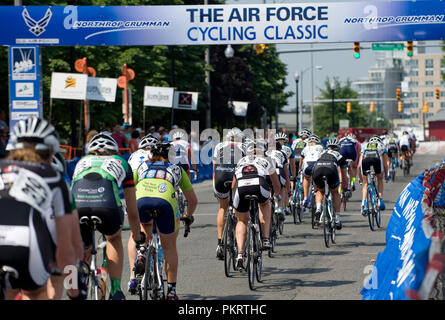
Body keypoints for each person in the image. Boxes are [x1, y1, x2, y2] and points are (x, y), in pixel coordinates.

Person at [0, 117, 82, 300]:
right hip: (25, 247)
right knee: (35, 292)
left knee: (10, 290)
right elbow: (66, 249)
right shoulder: (53, 176)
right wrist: (74, 290)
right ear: (49, 154)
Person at [71, 132, 144, 300]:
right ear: (115, 151)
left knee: (81, 244)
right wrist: (137, 235)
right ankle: (116, 290)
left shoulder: (81, 162)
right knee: (113, 239)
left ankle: (78, 272)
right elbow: (132, 210)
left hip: (78, 206)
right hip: (107, 206)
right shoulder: (122, 163)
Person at [129, 142, 197, 300]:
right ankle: (171, 291)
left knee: (145, 225)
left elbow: (131, 189)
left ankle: (141, 252)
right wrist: (188, 215)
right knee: (169, 247)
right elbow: (192, 200)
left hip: (141, 200)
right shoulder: (177, 169)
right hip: (165, 202)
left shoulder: (142, 167)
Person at [233, 138, 281, 271]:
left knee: (241, 221)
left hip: (241, 187)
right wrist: (275, 196)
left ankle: (240, 254)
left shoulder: (241, 161)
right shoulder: (268, 159)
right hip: (259, 185)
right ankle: (265, 239)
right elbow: (276, 184)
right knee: (265, 204)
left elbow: (234, 183)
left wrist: (234, 203)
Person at [213, 128, 245, 260]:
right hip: (235, 177)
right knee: (240, 212)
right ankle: (240, 242)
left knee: (222, 208)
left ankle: (220, 243)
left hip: (220, 177)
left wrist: (214, 186)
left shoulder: (219, 146)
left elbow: (214, 167)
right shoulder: (244, 146)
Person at [312, 138, 348, 229]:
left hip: (317, 169)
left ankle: (318, 208)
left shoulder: (321, 153)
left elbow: (314, 167)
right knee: (335, 192)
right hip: (331, 169)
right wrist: (345, 187)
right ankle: (337, 219)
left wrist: (315, 187)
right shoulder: (339, 155)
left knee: (320, 191)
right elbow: (344, 175)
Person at [358, 135, 388, 216]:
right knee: (380, 180)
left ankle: (363, 205)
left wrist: (360, 179)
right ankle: (380, 200)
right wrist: (386, 176)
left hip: (365, 161)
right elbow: (385, 165)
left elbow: (359, 166)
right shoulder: (382, 146)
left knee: (365, 184)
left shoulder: (365, 146)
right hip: (376, 160)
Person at [266, 140, 290, 221]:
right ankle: (278, 207)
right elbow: (286, 171)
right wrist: (288, 185)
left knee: (269, 187)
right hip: (278, 171)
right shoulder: (282, 154)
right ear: (279, 148)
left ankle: (269, 202)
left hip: (267, 172)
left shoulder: (265, 153)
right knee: (282, 188)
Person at [299, 135, 324, 208]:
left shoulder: (305, 148)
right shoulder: (320, 147)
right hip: (317, 166)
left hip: (307, 166)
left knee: (306, 178)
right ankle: (316, 192)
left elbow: (301, 160)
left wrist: (300, 169)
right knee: (317, 179)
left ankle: (305, 198)